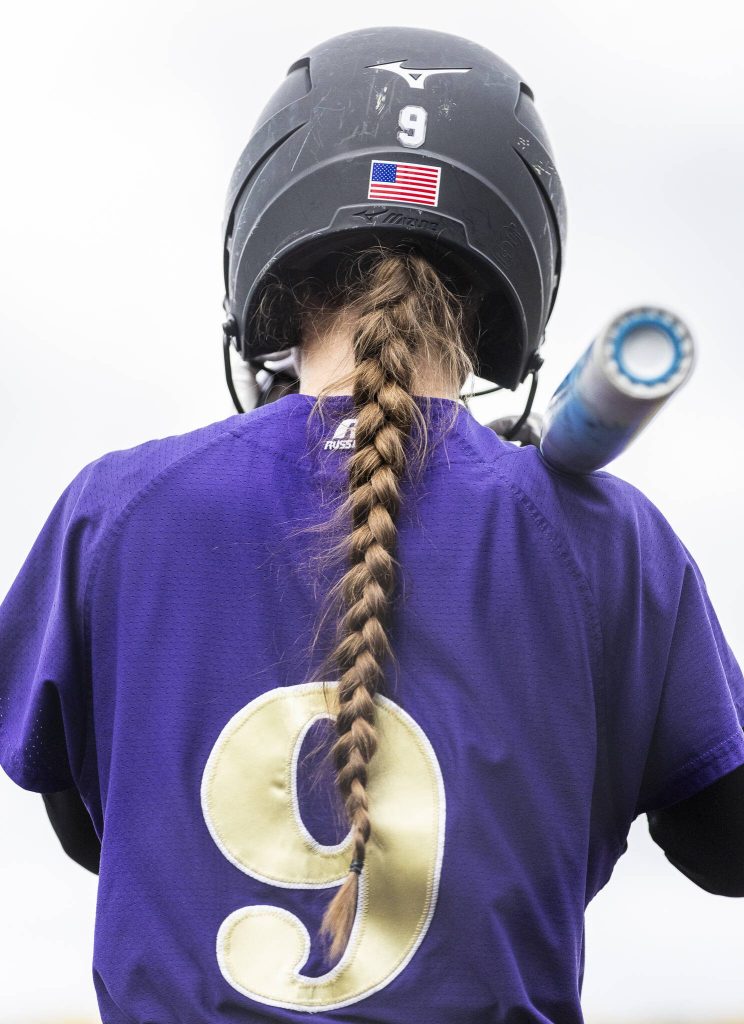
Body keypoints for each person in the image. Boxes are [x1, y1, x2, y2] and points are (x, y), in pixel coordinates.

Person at [1, 24, 743, 1024]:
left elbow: (93, 827)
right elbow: (727, 843)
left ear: (271, 251)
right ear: (509, 281)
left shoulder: (118, 510)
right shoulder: (613, 541)